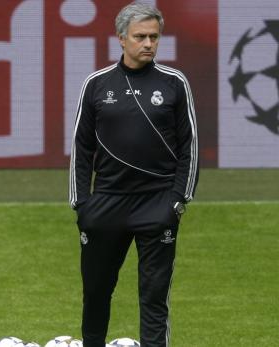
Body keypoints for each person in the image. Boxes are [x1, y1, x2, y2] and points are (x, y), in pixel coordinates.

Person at [68, 2, 199, 347]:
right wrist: (82, 203)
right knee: (96, 294)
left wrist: (177, 200)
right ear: (121, 39)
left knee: (154, 299)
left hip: (157, 205)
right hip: (106, 205)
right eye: (140, 37)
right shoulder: (96, 84)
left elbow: (190, 144)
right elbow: (81, 147)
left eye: (154, 37)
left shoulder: (174, 83)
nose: (148, 44)